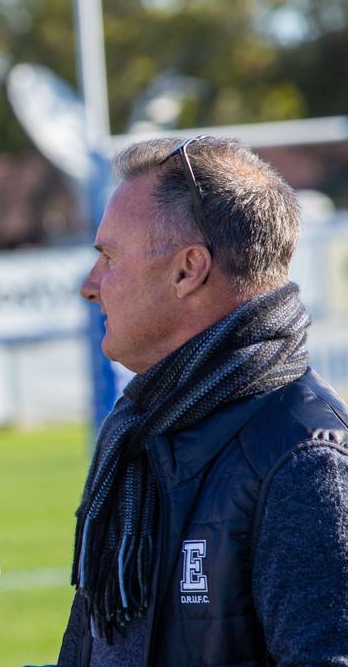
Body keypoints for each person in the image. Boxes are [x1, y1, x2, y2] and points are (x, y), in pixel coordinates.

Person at [54, 135, 348, 665]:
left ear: (188, 270)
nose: (90, 285)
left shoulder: (303, 461)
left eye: (108, 256)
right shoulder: (144, 430)